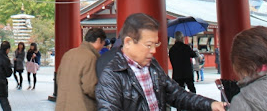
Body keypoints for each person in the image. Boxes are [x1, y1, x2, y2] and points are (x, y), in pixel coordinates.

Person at [96, 13, 225, 111]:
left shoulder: (152, 65)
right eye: (148, 45)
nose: (153, 50)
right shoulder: (112, 75)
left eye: (155, 44)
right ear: (128, 42)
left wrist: (210, 104)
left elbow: (176, 94)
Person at [56, 28, 107, 111]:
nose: (103, 45)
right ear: (98, 40)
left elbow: (58, 78)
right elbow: (89, 87)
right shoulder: (90, 57)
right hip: (81, 106)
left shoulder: (68, 54)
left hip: (62, 105)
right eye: (103, 42)